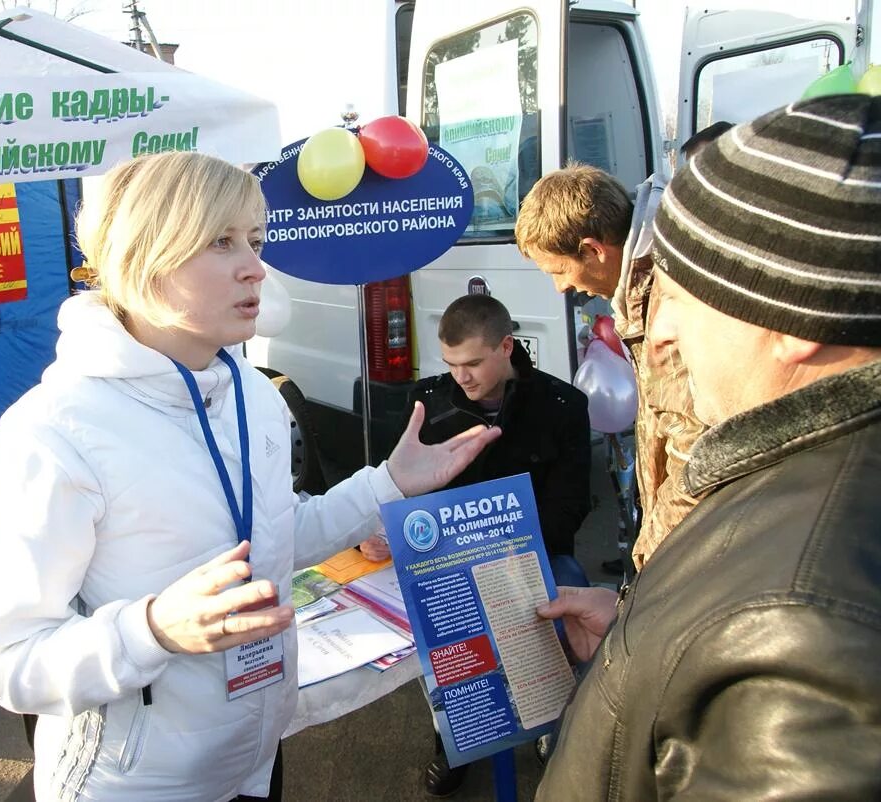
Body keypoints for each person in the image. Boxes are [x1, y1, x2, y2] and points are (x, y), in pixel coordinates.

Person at [0, 151, 499, 802]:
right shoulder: (51, 435)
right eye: (221, 242)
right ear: (147, 253)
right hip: (134, 785)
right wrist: (154, 629)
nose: (255, 267)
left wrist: (387, 483)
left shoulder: (253, 394)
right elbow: (11, 660)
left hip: (253, 758)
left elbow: (277, 537)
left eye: (255, 239)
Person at [535, 94, 881, 800]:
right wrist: (642, 626)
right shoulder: (790, 486)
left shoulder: (802, 640)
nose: (660, 334)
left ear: (795, 321)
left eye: (685, 299)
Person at [358, 292, 591, 796]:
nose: (461, 376)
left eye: (472, 363)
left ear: (506, 346)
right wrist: (385, 532)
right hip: (446, 560)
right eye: (451, 364)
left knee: (567, 605)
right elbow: (401, 486)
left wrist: (503, 552)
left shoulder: (561, 405)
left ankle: (553, 719)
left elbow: (570, 505)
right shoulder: (429, 401)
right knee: (441, 633)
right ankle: (456, 735)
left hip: (536, 555)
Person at [515, 162, 705, 569]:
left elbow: (693, 455)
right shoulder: (652, 279)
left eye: (560, 270)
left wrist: (653, 557)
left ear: (594, 250)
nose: (561, 287)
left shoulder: (669, 298)